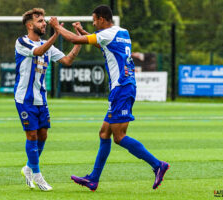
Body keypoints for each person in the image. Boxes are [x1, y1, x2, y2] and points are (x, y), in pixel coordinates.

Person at [49, 5, 169, 191]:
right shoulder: (123, 32)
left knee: (119, 137)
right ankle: (93, 179)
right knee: (104, 133)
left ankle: (157, 165)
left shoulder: (107, 34)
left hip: (121, 88)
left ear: (103, 19)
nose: (94, 23)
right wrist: (83, 32)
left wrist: (57, 26)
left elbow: (73, 39)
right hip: (124, 88)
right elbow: (103, 44)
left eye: (95, 20)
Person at [15, 8, 81, 191]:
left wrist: (78, 42)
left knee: (43, 135)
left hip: (41, 99)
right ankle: (37, 175)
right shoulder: (22, 42)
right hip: (24, 98)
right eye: (39, 21)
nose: (43, 23)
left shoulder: (48, 45)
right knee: (32, 135)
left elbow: (67, 61)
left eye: (44, 21)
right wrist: (57, 32)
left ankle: (28, 168)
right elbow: (39, 51)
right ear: (30, 25)